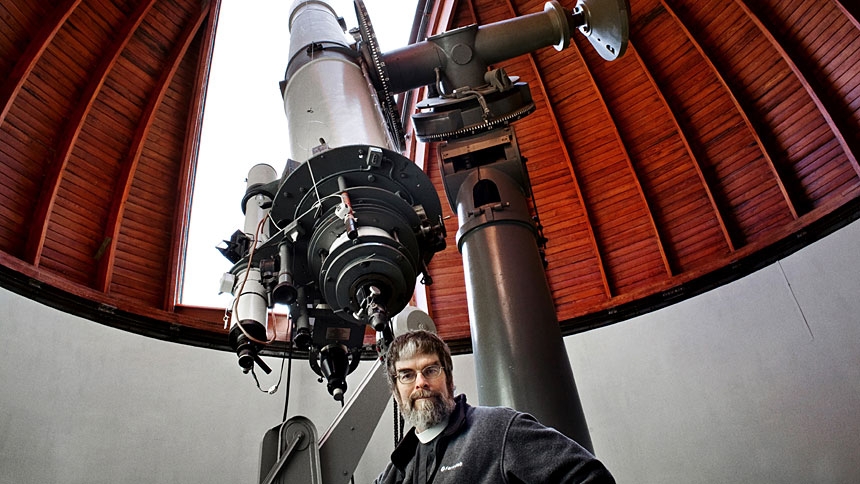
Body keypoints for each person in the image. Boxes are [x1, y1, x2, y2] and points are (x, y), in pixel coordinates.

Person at [374, 330, 615, 483]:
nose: (421, 383)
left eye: (430, 370)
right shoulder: (396, 468)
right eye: (406, 375)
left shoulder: (497, 429)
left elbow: (589, 477)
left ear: (449, 379)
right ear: (396, 393)